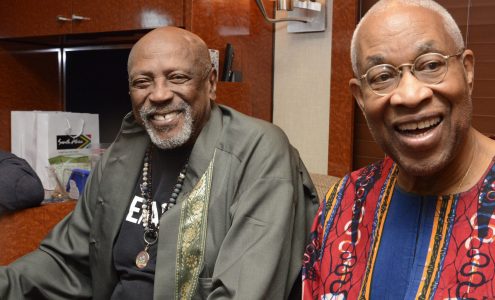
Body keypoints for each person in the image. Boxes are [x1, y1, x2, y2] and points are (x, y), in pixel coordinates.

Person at [302, 0, 495, 299]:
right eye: (382, 76)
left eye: (431, 65)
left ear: (467, 70)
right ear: (360, 97)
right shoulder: (344, 204)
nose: (409, 95)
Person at [0, 26, 318, 299]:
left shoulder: (259, 151)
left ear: (211, 82)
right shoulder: (120, 157)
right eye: (143, 82)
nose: (160, 94)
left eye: (177, 77)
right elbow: (66, 263)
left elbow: (245, 291)